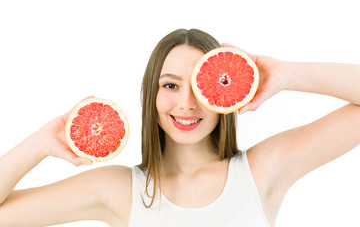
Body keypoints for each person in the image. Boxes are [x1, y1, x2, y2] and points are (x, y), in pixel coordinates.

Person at [0, 28, 359, 227]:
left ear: (224, 95)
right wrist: (40, 143)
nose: (187, 102)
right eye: (170, 85)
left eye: (201, 86)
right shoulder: (117, 190)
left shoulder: (261, 171)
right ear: (151, 95)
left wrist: (287, 74)